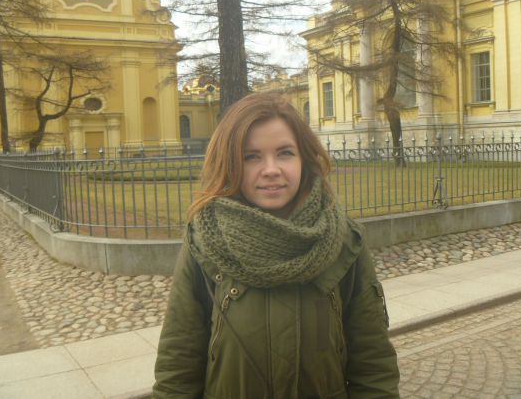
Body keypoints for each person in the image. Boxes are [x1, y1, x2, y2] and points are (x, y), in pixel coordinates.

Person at [152, 92, 400, 398]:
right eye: (251, 156)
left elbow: (373, 363)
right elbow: (178, 364)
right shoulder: (204, 242)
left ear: (303, 158)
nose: (271, 169)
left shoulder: (344, 241)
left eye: (284, 153)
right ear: (230, 163)